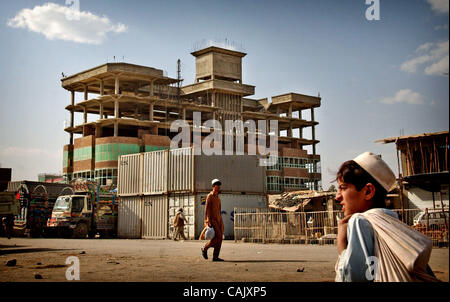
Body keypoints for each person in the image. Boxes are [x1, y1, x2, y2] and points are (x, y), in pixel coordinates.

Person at [335, 151, 438, 282]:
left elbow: (353, 277)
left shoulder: (359, 221)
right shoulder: (392, 221)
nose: (337, 197)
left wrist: (342, 247)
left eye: (343, 188)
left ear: (368, 191)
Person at [201, 178, 224, 262]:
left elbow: (219, 210)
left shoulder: (218, 198)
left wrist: (221, 221)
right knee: (219, 237)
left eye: (219, 185)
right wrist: (207, 221)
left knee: (220, 238)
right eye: (216, 184)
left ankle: (215, 257)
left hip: (218, 220)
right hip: (212, 220)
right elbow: (206, 209)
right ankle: (205, 248)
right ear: (213, 186)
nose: (218, 186)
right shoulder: (210, 196)